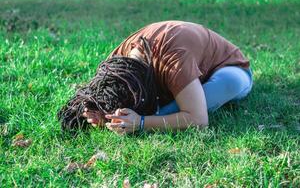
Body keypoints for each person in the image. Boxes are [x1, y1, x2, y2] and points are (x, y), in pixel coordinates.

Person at [58, 21, 253, 135]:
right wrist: (102, 113)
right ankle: (183, 94)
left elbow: (199, 120)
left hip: (230, 69)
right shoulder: (117, 62)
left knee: (230, 83)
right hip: (187, 72)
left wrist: (142, 122)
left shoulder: (173, 61)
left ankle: (160, 111)